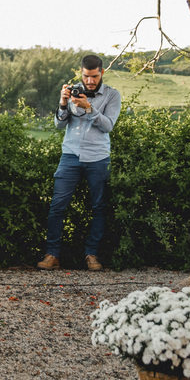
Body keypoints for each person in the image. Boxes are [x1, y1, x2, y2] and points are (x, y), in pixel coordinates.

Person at [37, 55, 121, 272]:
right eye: (86, 76)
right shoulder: (72, 90)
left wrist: (89, 108)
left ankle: (91, 254)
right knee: (57, 206)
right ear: (81, 73)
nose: (90, 81)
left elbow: (108, 126)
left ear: (102, 72)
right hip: (70, 155)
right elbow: (58, 124)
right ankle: (52, 254)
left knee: (99, 207)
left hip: (98, 158)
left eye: (94, 76)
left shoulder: (112, 95)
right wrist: (63, 103)